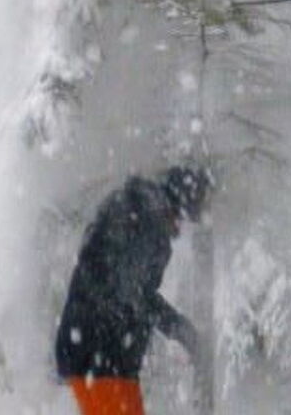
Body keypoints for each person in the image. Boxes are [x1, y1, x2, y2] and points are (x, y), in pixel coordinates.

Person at [55, 165, 210, 415]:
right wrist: (180, 329)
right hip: (104, 356)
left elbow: (123, 286)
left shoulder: (132, 213)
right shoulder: (149, 227)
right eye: (182, 219)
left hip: (92, 352)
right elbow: (135, 295)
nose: (179, 230)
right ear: (176, 208)